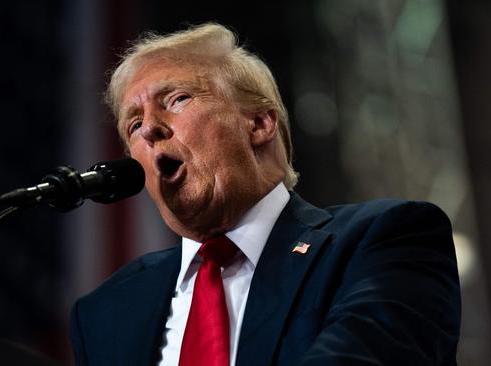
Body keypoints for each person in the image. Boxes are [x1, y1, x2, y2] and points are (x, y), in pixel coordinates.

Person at [69, 23, 461, 366]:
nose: (150, 129)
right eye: (133, 124)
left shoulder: (380, 240)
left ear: (259, 123)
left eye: (177, 100)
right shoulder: (107, 311)